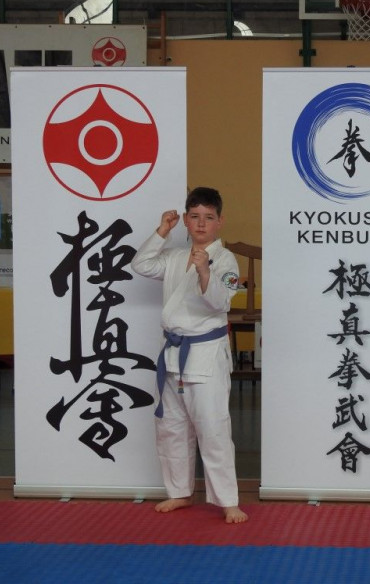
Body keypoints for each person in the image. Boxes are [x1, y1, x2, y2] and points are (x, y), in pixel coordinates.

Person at [131, 187, 248, 524]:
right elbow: (141, 264)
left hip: (206, 354)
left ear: (219, 221)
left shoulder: (225, 260)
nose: (200, 224)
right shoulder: (173, 256)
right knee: (172, 427)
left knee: (213, 428)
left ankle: (228, 500)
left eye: (208, 217)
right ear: (185, 219)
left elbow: (221, 302)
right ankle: (180, 492)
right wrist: (161, 232)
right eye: (194, 216)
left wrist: (205, 272)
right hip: (173, 353)